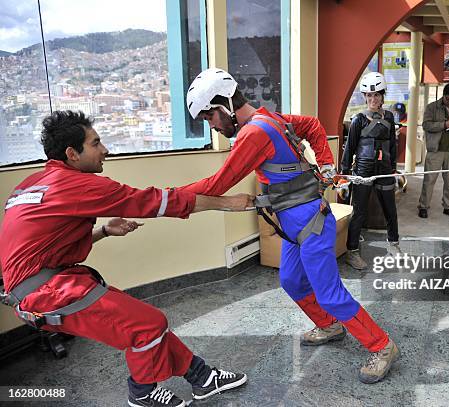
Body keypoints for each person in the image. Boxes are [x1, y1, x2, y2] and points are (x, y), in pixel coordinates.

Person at [0, 111, 253, 407]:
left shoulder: (31, 185)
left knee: (144, 322)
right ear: (72, 153)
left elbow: (45, 245)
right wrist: (226, 204)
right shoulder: (75, 185)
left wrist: (104, 231)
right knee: (147, 325)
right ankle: (142, 393)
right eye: (96, 144)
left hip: (39, 285)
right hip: (46, 293)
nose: (105, 150)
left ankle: (202, 377)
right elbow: (154, 201)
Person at [180, 68, 400, 384]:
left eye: (209, 117)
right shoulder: (269, 120)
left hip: (311, 222)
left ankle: (382, 346)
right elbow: (311, 124)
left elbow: (217, 183)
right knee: (292, 281)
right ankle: (330, 325)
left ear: (222, 105)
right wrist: (324, 163)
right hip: (295, 225)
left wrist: (166, 197)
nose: (212, 125)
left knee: (329, 293)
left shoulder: (254, 133)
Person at [340, 72, 401, 270]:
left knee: (390, 210)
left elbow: (392, 144)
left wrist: (394, 169)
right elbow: (349, 148)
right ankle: (352, 251)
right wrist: (344, 173)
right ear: (365, 97)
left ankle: (393, 245)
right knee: (359, 212)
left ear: (383, 96)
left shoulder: (390, 117)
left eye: (376, 95)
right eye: (369, 96)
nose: (373, 99)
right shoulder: (358, 120)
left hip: (384, 169)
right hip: (363, 170)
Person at [418, 83, 449, 219]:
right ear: (444, 95)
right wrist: (443, 125)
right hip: (435, 149)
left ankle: (448, 207)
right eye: (448, 99)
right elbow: (426, 125)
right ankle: (423, 206)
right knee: (429, 180)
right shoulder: (432, 107)